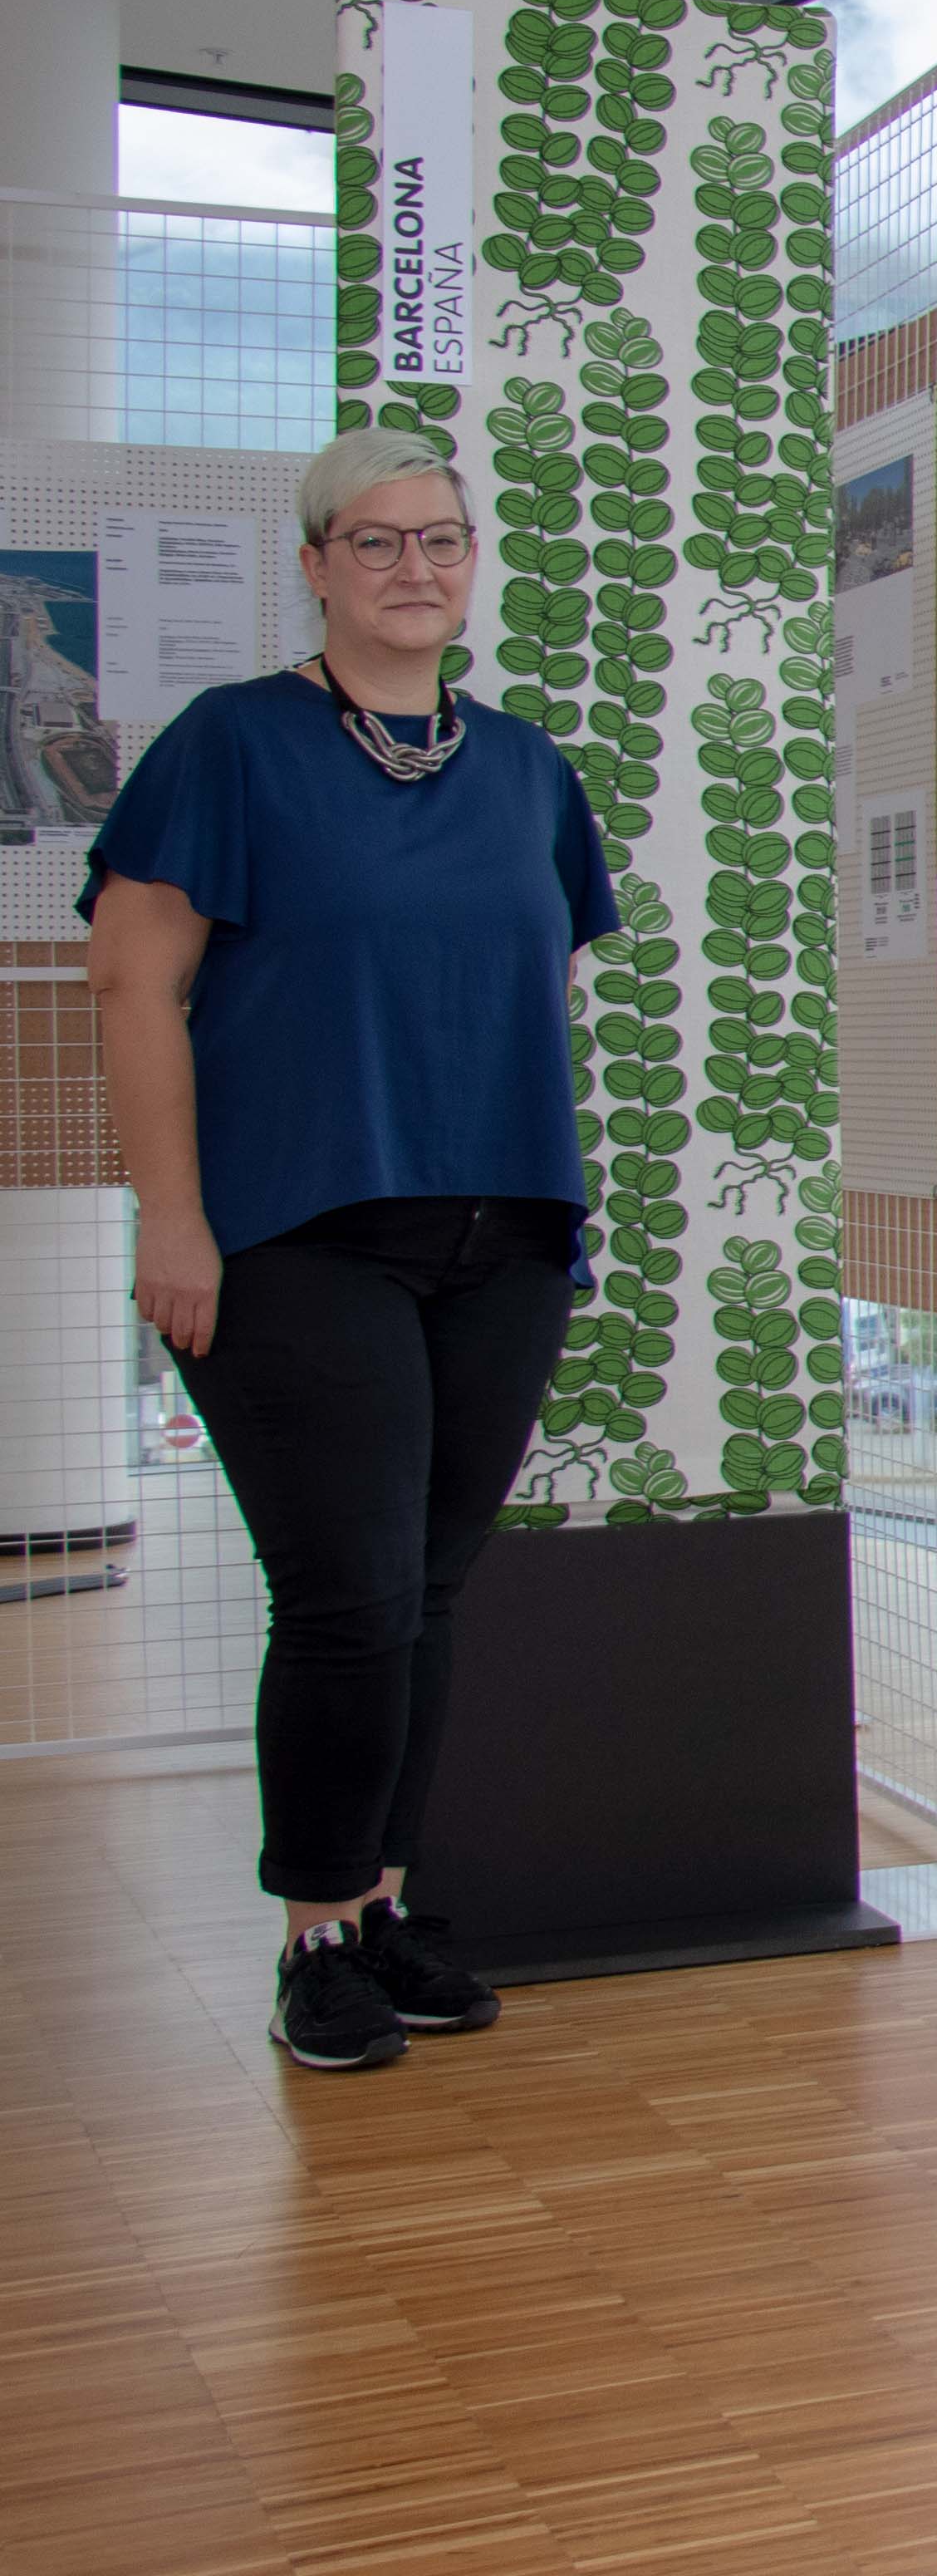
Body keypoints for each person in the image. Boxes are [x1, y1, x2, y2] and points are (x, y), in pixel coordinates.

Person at [81, 425, 621, 2072]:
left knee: (429, 1589)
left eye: (441, 541)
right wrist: (172, 1219)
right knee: (347, 1593)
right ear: (315, 566)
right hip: (298, 1232)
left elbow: (530, 990)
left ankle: (384, 1907)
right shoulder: (231, 746)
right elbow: (132, 989)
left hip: (504, 1231)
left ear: (474, 564)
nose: (414, 570)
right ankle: (315, 1932)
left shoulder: (527, 768)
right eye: (375, 543)